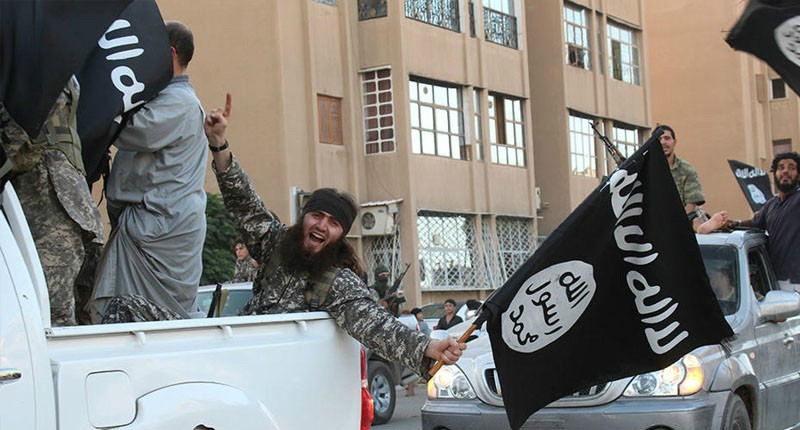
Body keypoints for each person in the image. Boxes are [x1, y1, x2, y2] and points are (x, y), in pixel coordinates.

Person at [101, 93, 467, 376]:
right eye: (316, 216)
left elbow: (375, 322)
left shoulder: (337, 282)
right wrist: (218, 143)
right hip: (227, 346)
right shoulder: (277, 244)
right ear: (304, 218)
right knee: (124, 306)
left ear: (341, 235)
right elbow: (245, 204)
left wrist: (427, 347)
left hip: (262, 369)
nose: (321, 226)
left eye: (332, 223)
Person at [89, 21, 208, 322]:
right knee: (125, 316)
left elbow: (134, 131)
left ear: (169, 52)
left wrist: (103, 95)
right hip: (147, 225)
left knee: (146, 319)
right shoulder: (162, 97)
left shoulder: (180, 102)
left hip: (160, 227)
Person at [0, 77, 104, 326]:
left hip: (50, 202)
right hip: (52, 203)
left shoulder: (40, 64)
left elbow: (36, 115)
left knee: (53, 317)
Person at [726, 152, 800, 292]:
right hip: (773, 279)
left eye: (791, 167)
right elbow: (754, 223)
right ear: (775, 173)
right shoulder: (771, 204)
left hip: (795, 281)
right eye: (781, 167)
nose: (785, 171)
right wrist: (733, 224)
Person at [653, 125, 710, 232]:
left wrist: (674, 223)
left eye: (667, 138)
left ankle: (702, 228)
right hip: (655, 221)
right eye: (659, 139)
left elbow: (691, 204)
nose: (663, 142)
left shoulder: (686, 169)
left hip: (683, 218)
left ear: (674, 142)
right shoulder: (647, 170)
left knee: (695, 219)